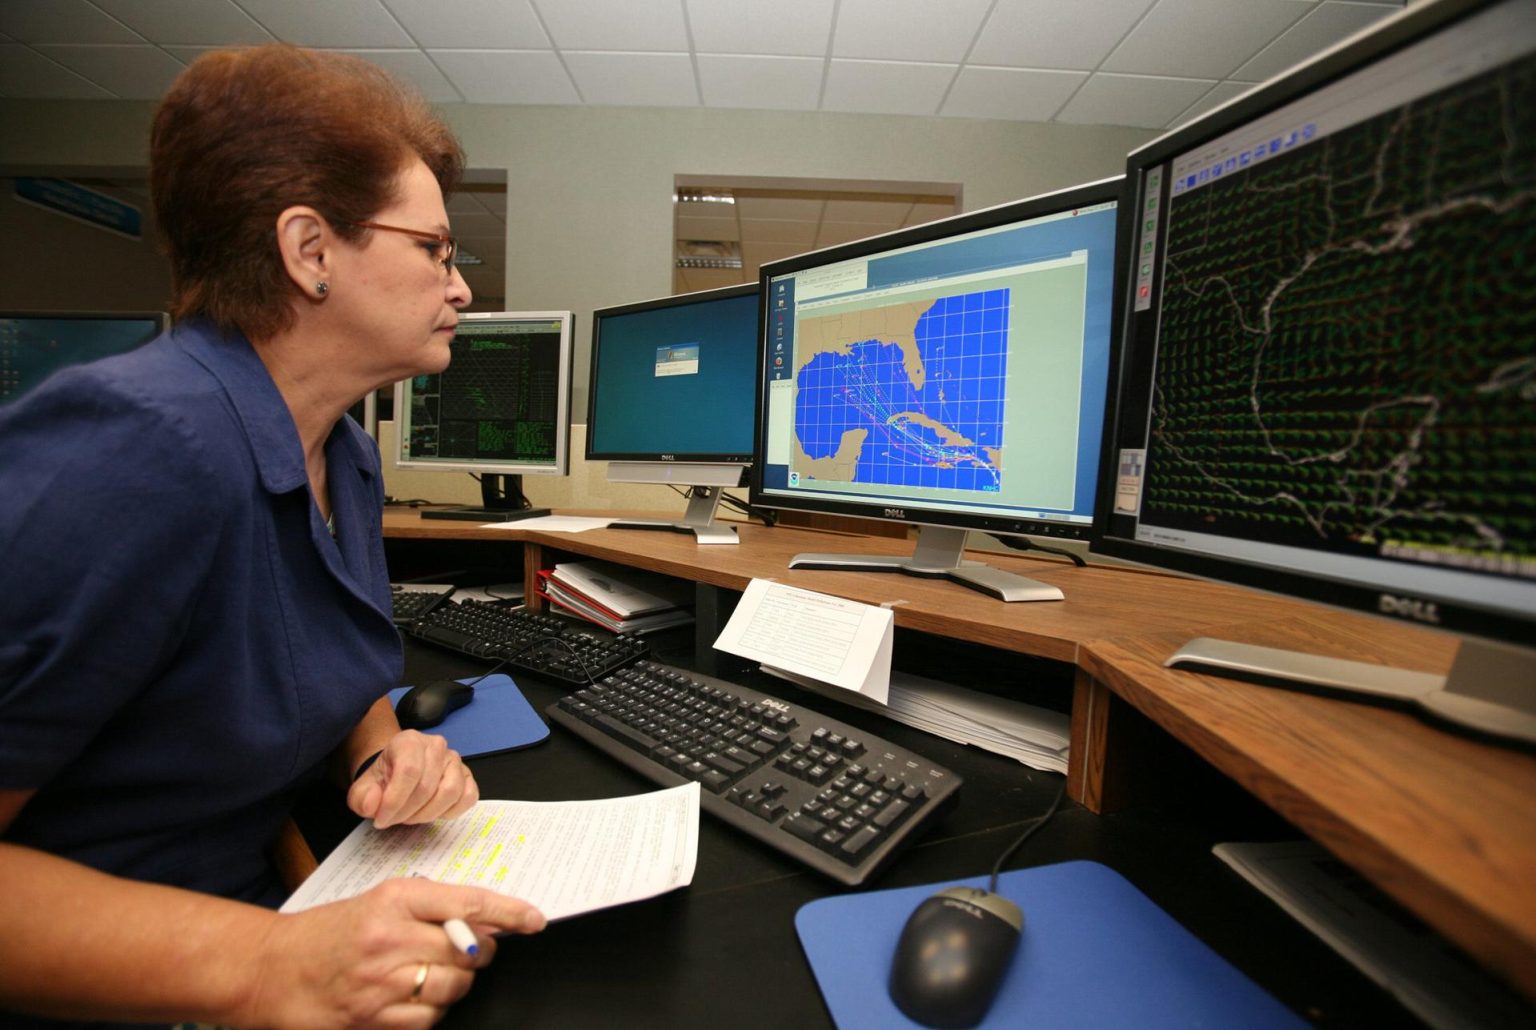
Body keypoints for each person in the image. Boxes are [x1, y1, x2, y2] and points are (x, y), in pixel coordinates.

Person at [0, 45, 544, 1027]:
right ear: (310, 251)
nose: (461, 286)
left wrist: (384, 745)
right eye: (435, 249)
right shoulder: (133, 451)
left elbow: (299, 657)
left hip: (259, 904)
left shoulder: (341, 451)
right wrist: (272, 964)